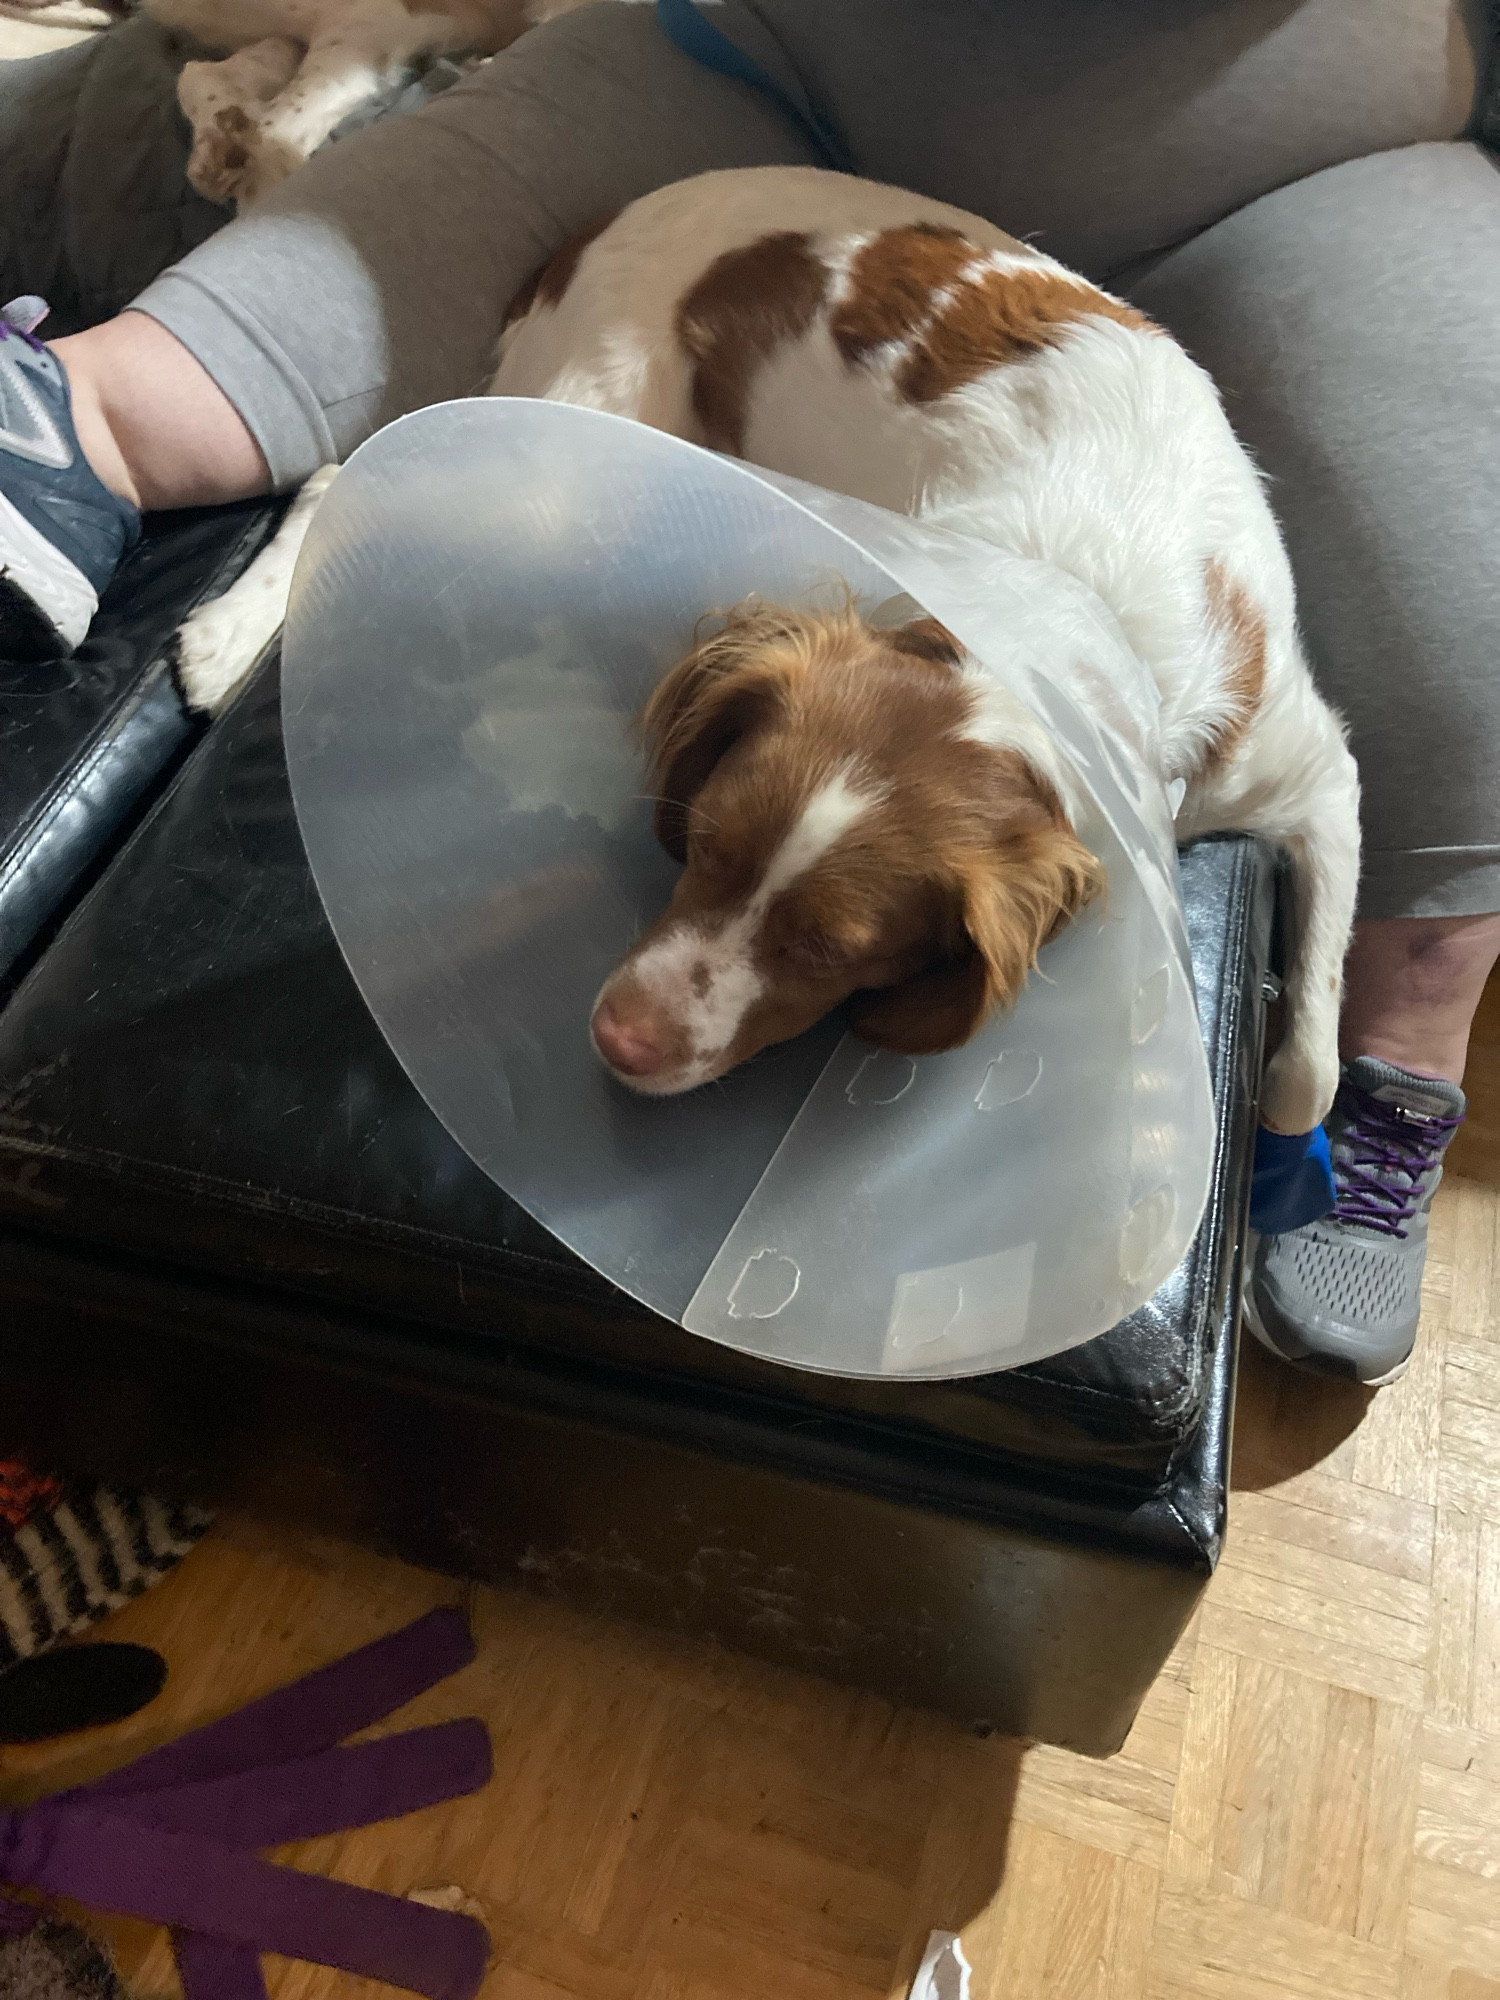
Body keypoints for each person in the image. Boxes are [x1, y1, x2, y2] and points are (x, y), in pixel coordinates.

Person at [2, 0, 1496, 1385]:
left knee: (1467, 624)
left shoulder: (1229, 726)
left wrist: (1284, 1078)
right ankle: (78, 418)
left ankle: (1397, 1060)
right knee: (422, 238)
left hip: (1310, 159)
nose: (633, 1021)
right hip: (770, 64)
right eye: (705, 846)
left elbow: (1324, 785)